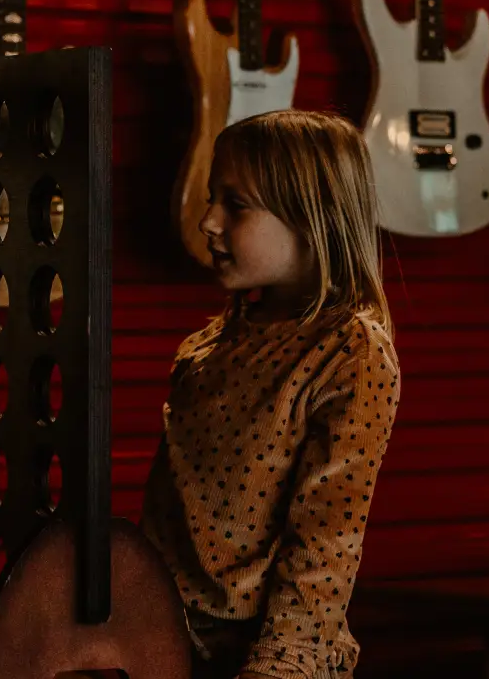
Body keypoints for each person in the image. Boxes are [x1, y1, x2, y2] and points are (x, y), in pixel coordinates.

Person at [141, 109, 402, 679]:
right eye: (212, 199)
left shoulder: (351, 354)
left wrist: (278, 668)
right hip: (163, 642)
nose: (208, 221)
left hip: (261, 655)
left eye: (234, 205)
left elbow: (325, 545)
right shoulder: (209, 345)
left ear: (312, 219)